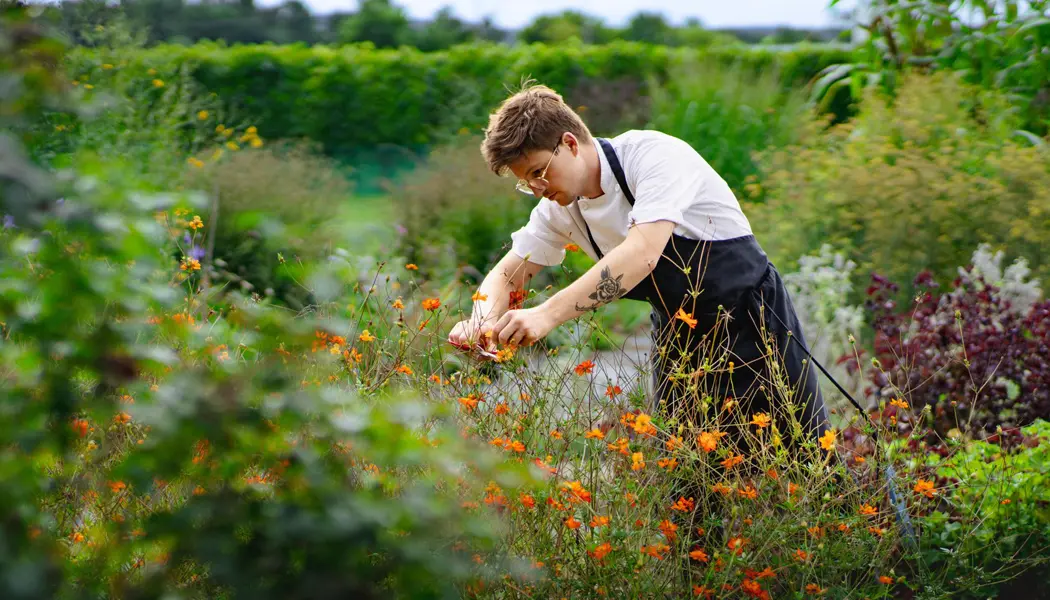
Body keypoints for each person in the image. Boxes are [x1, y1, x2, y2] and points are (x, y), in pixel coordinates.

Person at [447, 82, 831, 452]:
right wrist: (482, 319)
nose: (537, 189)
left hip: (753, 320)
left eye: (538, 173)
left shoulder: (653, 156)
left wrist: (547, 315)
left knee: (804, 459)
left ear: (568, 144)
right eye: (525, 182)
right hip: (679, 338)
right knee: (688, 474)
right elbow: (507, 273)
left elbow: (643, 252)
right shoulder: (560, 210)